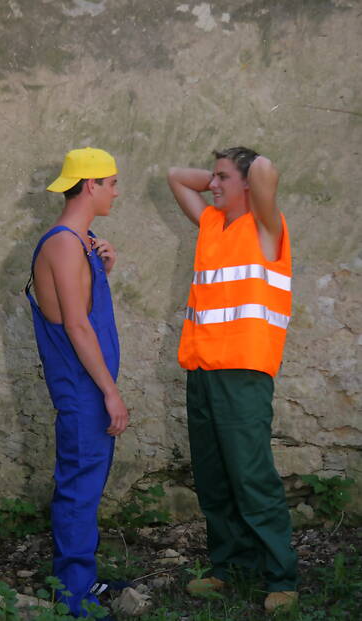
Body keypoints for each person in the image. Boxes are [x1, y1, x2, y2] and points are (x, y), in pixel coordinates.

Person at [167, 147, 298, 614]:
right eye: (213, 177)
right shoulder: (211, 223)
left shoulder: (266, 228)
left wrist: (243, 171)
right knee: (214, 478)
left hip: (243, 373)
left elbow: (264, 168)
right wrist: (220, 178)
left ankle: (281, 577)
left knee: (250, 477)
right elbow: (175, 175)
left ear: (247, 184)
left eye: (223, 178)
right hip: (202, 369)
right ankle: (230, 568)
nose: (213, 185)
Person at [26, 147, 129, 618]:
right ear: (90, 185)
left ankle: (82, 581)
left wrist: (103, 270)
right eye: (111, 182)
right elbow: (76, 326)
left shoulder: (82, 242)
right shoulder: (64, 243)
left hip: (89, 382)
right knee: (79, 485)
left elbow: (85, 309)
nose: (115, 192)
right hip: (82, 385)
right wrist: (110, 392)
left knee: (87, 482)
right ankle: (72, 596)